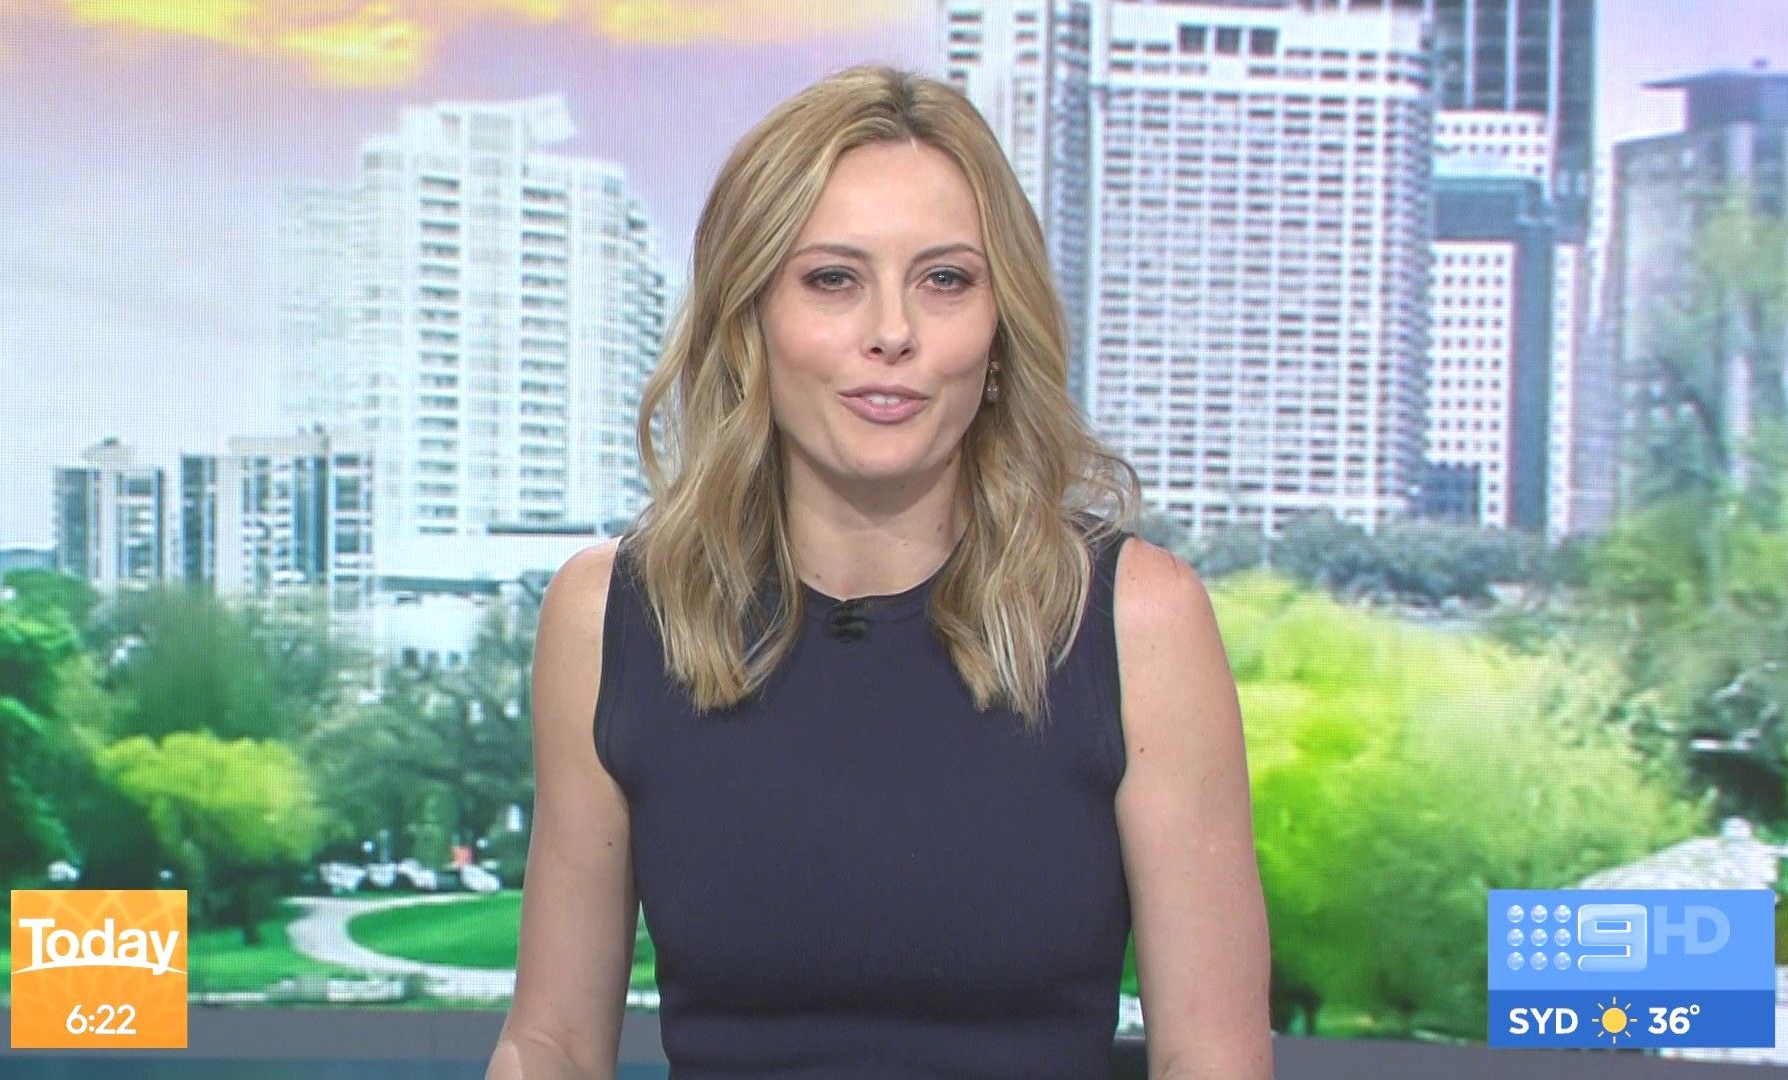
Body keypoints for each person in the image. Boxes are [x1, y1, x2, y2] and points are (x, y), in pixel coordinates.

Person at [486, 64, 1270, 1079]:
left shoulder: (1137, 622)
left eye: (945, 281)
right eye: (833, 280)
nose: (892, 333)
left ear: (1000, 333)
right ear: (749, 320)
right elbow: (550, 1041)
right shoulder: (612, 618)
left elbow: (1212, 1056)